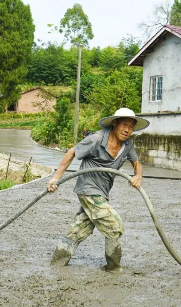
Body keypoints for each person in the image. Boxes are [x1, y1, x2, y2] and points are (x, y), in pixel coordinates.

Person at [47, 108, 149, 272]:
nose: (127, 130)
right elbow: (72, 152)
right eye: (124, 125)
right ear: (115, 124)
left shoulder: (128, 144)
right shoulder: (96, 139)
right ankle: (113, 268)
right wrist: (55, 178)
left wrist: (138, 176)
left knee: (80, 229)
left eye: (131, 127)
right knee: (114, 225)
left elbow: (137, 164)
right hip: (88, 188)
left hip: (102, 192)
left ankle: (57, 264)